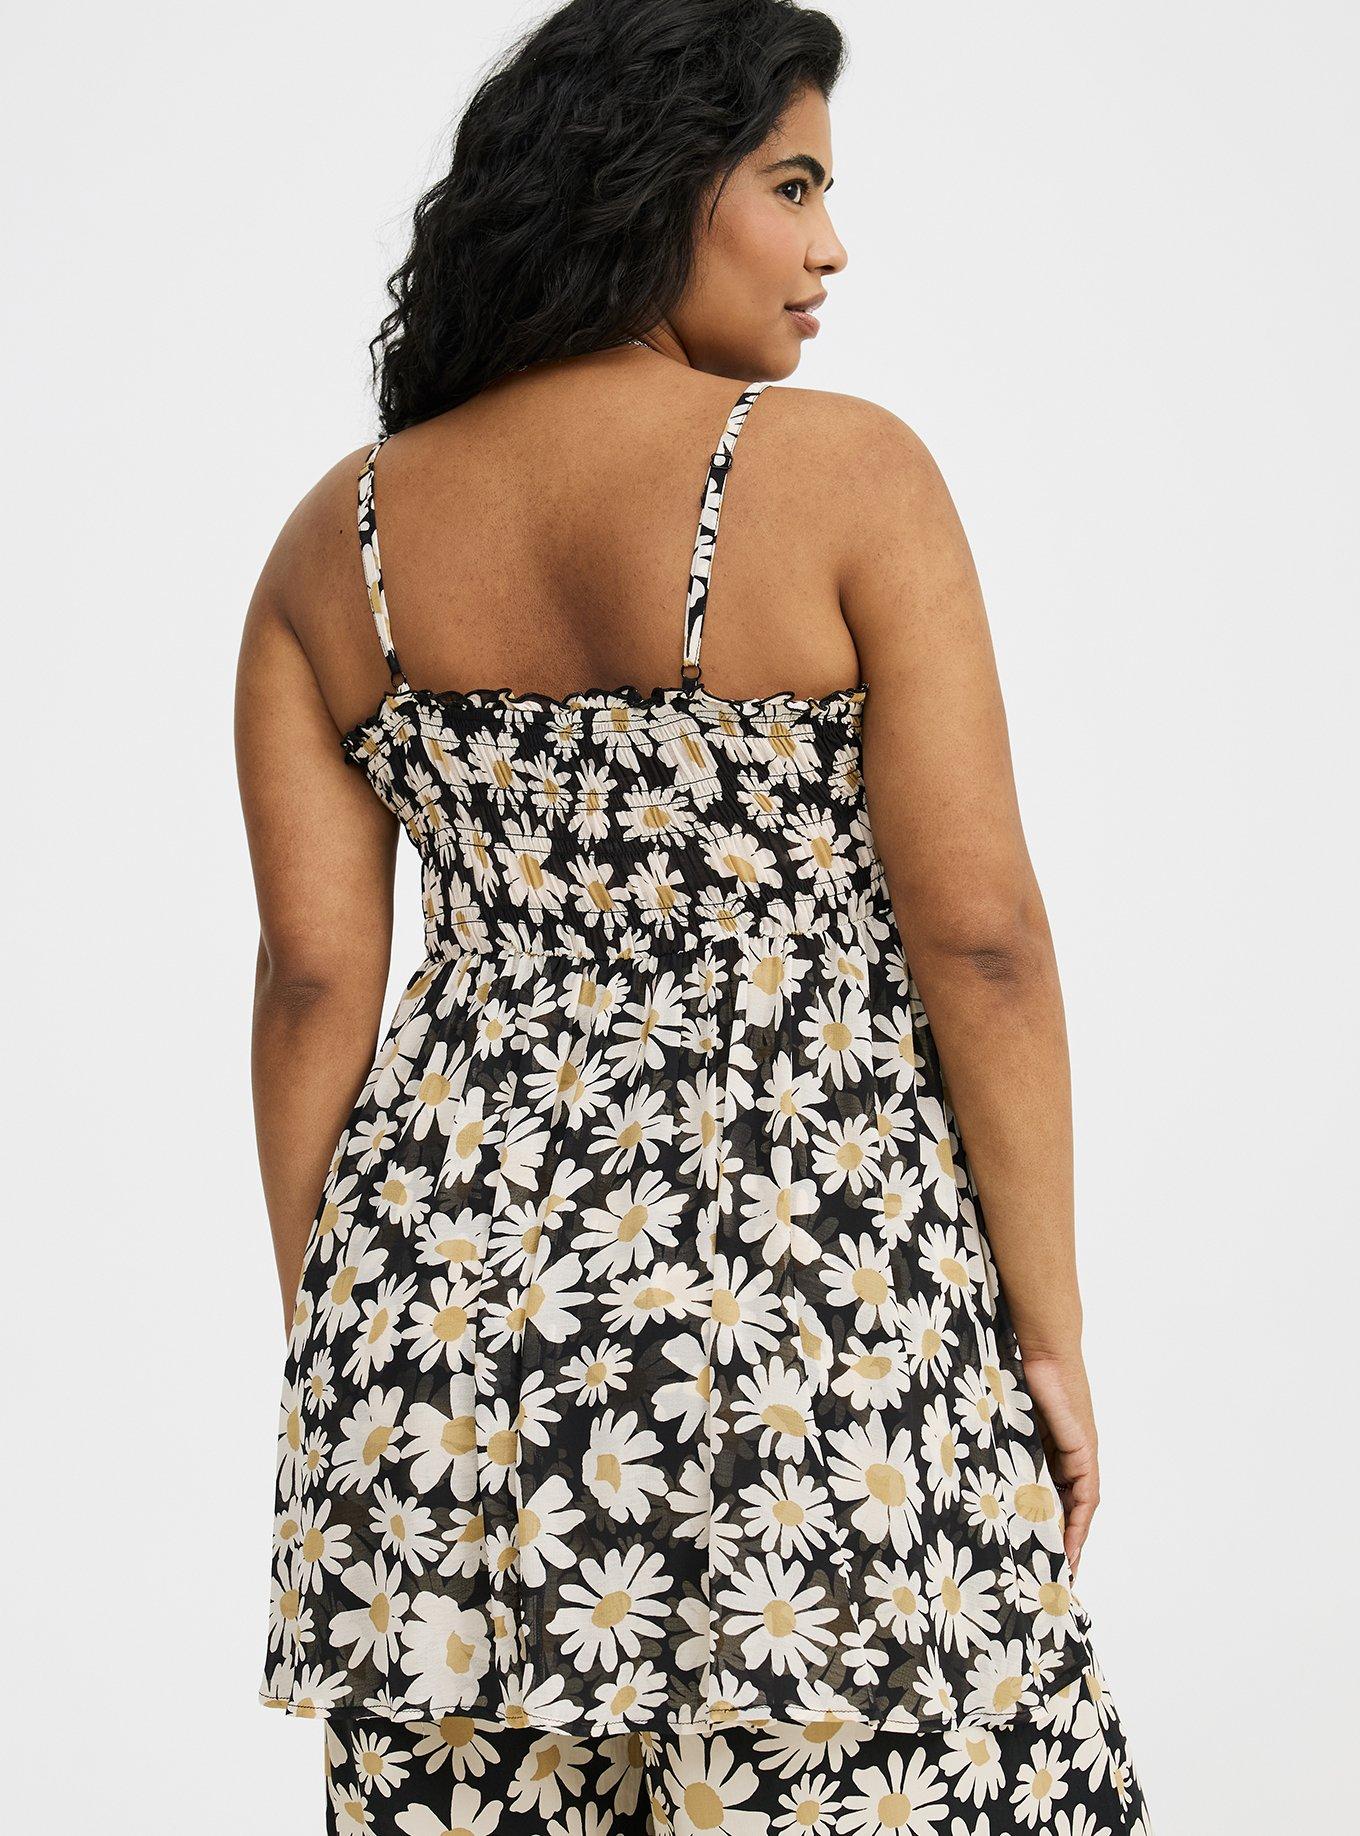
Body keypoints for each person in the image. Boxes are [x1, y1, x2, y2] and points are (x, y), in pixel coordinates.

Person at [235, 1, 1154, 1829]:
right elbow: (983, 940)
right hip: (815, 1307)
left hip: (447, 1344)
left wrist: (349, 1337)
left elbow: (318, 980)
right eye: (793, 185)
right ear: (651, 183)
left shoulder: (336, 545)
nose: (832, 246)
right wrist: (1046, 1335)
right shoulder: (846, 473)